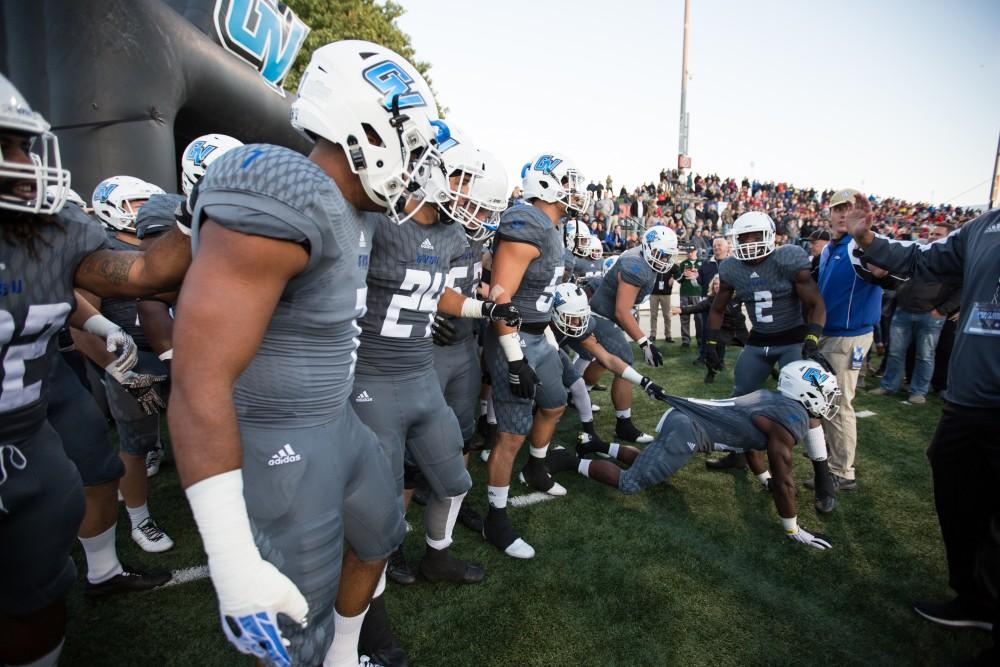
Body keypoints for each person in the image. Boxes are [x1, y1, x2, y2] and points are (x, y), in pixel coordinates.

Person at [167, 41, 444, 667]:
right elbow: (198, 375)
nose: (420, 167)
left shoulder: (357, 211)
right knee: (294, 625)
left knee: (380, 535)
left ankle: (347, 655)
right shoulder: (285, 184)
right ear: (366, 128)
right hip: (278, 443)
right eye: (414, 146)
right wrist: (231, 558)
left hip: (338, 422)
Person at [0, 73, 189, 667]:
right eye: (3, 148)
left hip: (27, 423)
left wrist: (192, 218)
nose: (22, 163)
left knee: (39, 585)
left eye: (22, 146)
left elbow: (144, 275)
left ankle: (101, 573)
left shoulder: (49, 228)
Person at [845, 195, 999, 663]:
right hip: (968, 394)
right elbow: (919, 258)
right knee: (955, 484)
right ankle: (975, 597)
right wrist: (866, 237)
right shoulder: (984, 226)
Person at [548, 359, 841, 551]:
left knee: (650, 463)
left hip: (688, 421)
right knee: (630, 483)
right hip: (688, 429)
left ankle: (596, 446)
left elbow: (751, 443)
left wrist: (764, 478)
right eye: (825, 393)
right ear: (807, 394)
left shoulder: (775, 400)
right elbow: (786, 479)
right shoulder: (790, 418)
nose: (828, 400)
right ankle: (567, 460)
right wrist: (793, 529)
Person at [482, 151, 590, 559]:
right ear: (547, 185)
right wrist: (514, 358)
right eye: (570, 182)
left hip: (537, 334)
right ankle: (496, 518)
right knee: (511, 434)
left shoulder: (551, 225)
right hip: (511, 337)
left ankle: (536, 467)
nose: (578, 192)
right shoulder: (525, 222)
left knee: (555, 403)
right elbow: (500, 296)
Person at [702, 212, 830, 514]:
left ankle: (823, 475)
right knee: (738, 397)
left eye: (754, 236)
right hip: (759, 340)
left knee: (807, 404)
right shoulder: (732, 267)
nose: (748, 243)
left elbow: (816, 304)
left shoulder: (787, 259)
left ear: (770, 235)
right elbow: (718, 307)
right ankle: (737, 453)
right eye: (742, 238)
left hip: (792, 337)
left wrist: (812, 338)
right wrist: (711, 341)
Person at [813, 189, 901, 492]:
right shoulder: (830, 248)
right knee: (827, 403)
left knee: (838, 403)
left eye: (848, 209)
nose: (842, 214)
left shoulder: (859, 247)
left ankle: (842, 471)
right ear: (829, 214)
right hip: (832, 335)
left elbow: (886, 272)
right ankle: (832, 466)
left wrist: (883, 271)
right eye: (837, 209)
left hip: (849, 338)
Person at [586, 225, 678, 444]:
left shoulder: (642, 257)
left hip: (605, 313)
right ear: (646, 247)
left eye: (667, 255)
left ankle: (577, 392)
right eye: (659, 253)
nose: (663, 259)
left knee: (603, 361)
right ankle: (624, 424)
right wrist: (645, 342)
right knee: (624, 363)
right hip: (603, 315)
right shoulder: (636, 265)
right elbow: (621, 310)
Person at [868, 245, 960, 404]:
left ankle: (918, 391)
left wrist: (942, 310)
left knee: (925, 355)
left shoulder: (951, 262)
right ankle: (889, 385)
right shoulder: (918, 254)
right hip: (903, 310)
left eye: (938, 234)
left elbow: (962, 289)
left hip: (931, 315)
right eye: (932, 233)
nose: (932, 236)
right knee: (896, 352)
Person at [672, 274, 748, 383]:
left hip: (740, 331)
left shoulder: (737, 297)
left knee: (756, 350)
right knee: (710, 348)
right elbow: (697, 307)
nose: (717, 286)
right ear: (712, 287)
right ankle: (711, 372)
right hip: (723, 332)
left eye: (720, 284)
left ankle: (771, 371)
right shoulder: (711, 300)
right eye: (715, 284)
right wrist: (681, 310)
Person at [676, 244, 703, 347]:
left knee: (699, 318)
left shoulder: (702, 263)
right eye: (688, 252)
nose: (690, 254)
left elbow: (705, 279)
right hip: (685, 293)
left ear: (696, 251)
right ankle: (685, 340)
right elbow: (679, 280)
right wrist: (682, 274)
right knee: (684, 317)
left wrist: (697, 275)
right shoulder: (683, 263)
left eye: (692, 251)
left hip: (697, 293)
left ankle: (700, 339)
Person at [648, 261, 676, 343]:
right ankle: (653, 335)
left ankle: (668, 335)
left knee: (667, 315)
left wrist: (673, 277)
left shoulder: (670, 265)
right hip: (654, 293)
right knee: (653, 315)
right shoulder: (653, 264)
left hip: (666, 293)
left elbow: (678, 271)